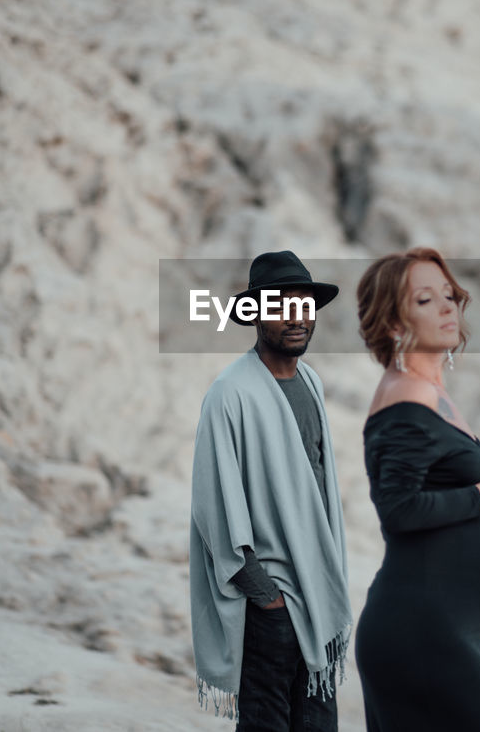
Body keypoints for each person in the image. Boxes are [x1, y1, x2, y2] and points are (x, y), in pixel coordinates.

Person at [353, 247, 480, 732]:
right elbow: (398, 509)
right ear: (395, 324)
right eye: (425, 299)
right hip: (420, 633)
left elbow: (457, 504)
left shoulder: (430, 394)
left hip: (434, 631)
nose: (446, 307)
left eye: (449, 295)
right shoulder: (407, 396)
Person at [190, 250, 353, 732]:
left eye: (305, 306)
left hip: (317, 596)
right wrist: (267, 597)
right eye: (281, 306)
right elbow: (215, 511)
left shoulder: (311, 383)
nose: (297, 318)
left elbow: (318, 488)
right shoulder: (230, 393)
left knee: (319, 724)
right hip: (271, 604)